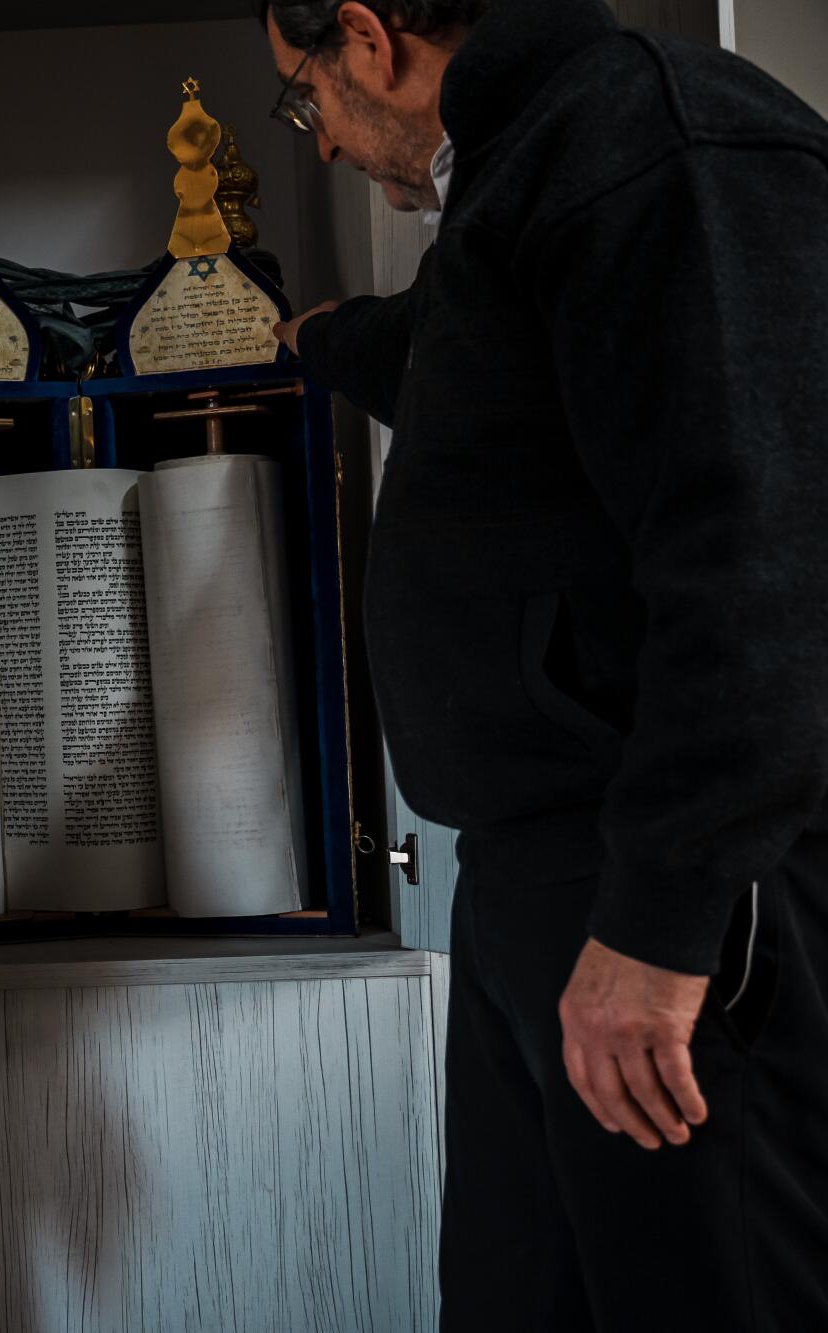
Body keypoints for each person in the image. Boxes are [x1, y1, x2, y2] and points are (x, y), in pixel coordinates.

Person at [258, 0, 828, 1326]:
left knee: (715, 1296)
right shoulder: (534, 164)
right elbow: (486, 366)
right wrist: (317, 340)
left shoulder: (656, 142)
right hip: (545, 882)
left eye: (305, 99)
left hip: (664, 884)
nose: (324, 146)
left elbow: (770, 552)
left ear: (368, 36)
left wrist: (660, 918)